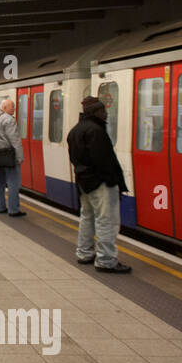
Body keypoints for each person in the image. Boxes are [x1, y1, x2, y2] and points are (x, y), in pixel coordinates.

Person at [66, 95, 131, 274]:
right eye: (103, 111)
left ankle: (84, 253)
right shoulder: (96, 131)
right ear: (95, 112)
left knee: (87, 217)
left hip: (84, 182)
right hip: (100, 183)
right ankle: (106, 260)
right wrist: (112, 180)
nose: (106, 114)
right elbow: (104, 160)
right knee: (106, 221)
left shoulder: (75, 130)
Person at [0, 99, 24, 217]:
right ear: (5, 107)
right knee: (13, 183)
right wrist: (20, 157)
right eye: (12, 107)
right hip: (8, 156)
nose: (14, 109)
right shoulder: (9, 119)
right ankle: (13, 209)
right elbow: (15, 140)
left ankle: (0, 207)